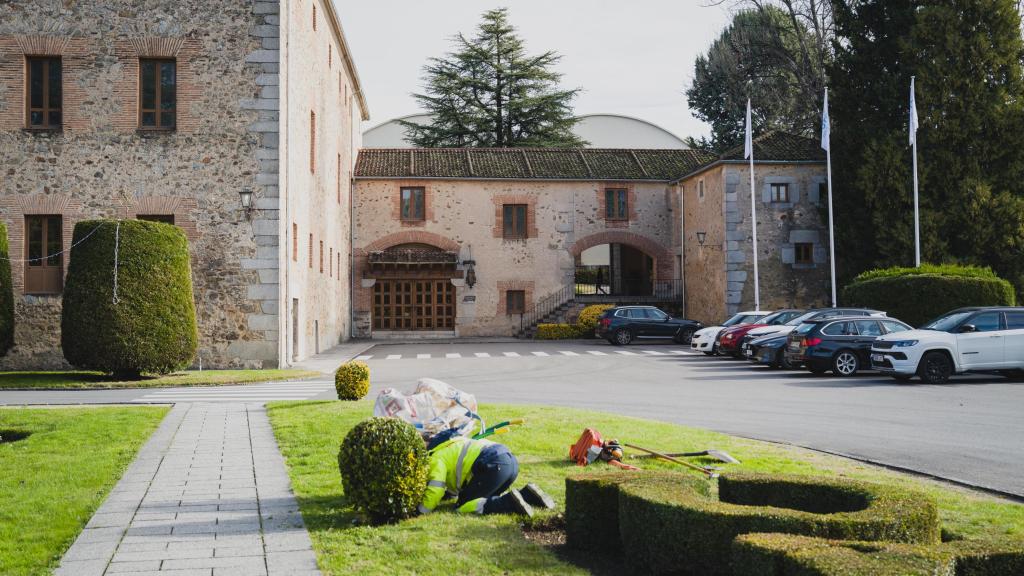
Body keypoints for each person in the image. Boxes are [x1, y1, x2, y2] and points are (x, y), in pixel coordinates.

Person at [418, 435, 554, 516]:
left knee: (464, 505)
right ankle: (529, 495)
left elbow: (435, 488)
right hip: (510, 463)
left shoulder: (435, 458)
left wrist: (421, 511)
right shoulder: (450, 444)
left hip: (494, 464)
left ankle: (510, 502)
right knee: (484, 498)